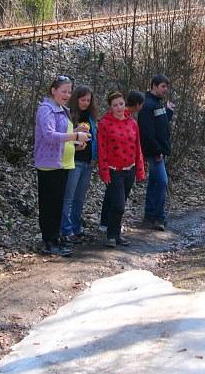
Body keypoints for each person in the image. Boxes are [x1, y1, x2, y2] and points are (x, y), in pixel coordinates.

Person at [33, 76, 91, 257]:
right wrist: (75, 137)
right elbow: (50, 135)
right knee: (49, 205)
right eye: (63, 91)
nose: (67, 95)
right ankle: (49, 241)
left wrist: (77, 136)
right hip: (49, 164)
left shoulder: (62, 109)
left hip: (63, 164)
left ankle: (56, 237)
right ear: (53, 90)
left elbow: (63, 134)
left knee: (58, 204)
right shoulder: (46, 109)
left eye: (69, 91)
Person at [98, 91, 145, 248]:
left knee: (121, 203)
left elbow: (137, 147)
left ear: (125, 104)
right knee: (118, 204)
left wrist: (140, 169)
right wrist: (104, 172)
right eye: (115, 105)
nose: (119, 107)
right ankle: (111, 235)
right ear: (110, 107)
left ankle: (116, 234)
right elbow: (102, 149)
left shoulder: (132, 123)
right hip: (114, 170)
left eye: (121, 104)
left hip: (129, 169)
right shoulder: (105, 123)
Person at [60, 85, 99, 244]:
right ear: (76, 99)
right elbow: (63, 137)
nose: (85, 103)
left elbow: (94, 138)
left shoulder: (91, 117)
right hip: (73, 160)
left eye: (88, 100)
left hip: (87, 162)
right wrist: (76, 132)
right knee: (68, 197)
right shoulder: (69, 115)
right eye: (83, 100)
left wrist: (94, 157)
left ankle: (76, 228)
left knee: (79, 198)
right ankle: (66, 229)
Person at [137, 75, 173, 231]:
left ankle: (150, 216)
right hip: (154, 152)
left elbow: (162, 125)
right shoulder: (147, 104)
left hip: (159, 150)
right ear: (154, 86)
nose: (166, 90)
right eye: (163, 86)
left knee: (155, 182)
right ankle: (158, 217)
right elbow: (146, 132)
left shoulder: (157, 103)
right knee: (162, 182)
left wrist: (169, 112)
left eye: (166, 87)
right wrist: (157, 151)